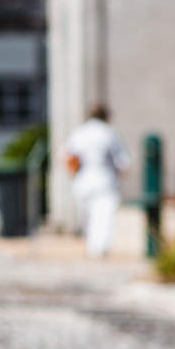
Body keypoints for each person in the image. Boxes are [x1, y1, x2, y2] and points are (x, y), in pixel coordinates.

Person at [63, 104, 132, 258]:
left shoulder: (79, 132)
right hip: (105, 178)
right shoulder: (109, 133)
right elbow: (123, 162)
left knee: (86, 215)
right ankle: (99, 248)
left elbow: (66, 155)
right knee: (104, 215)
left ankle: (90, 246)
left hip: (82, 178)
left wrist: (73, 172)